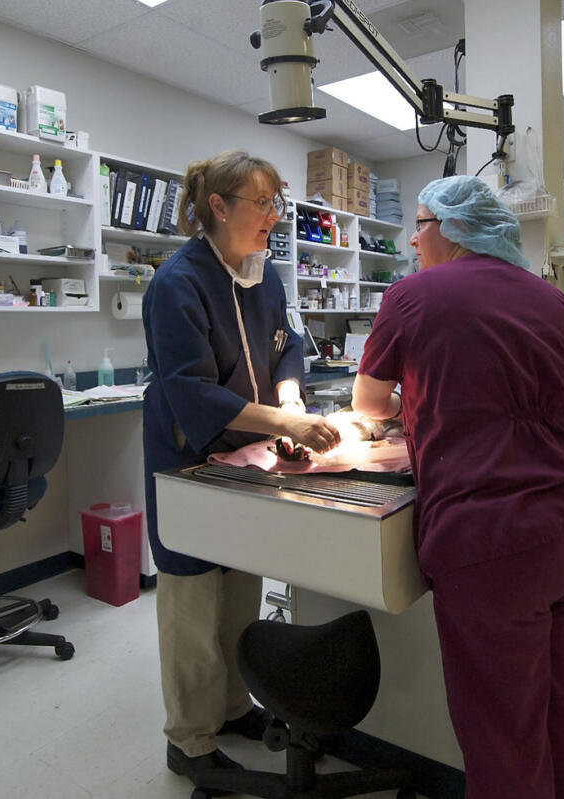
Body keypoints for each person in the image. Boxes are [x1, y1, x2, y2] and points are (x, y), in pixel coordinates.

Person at [351, 175, 564, 799]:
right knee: (563, 712)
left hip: (496, 541)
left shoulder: (413, 296)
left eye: (418, 225)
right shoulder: (553, 301)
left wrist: (412, 410)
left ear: (447, 226)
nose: (413, 241)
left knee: (504, 737)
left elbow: (369, 400)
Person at [141, 150, 341, 786]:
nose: (274, 217)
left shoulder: (264, 275)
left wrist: (288, 396)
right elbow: (190, 390)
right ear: (219, 207)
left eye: (277, 204)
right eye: (264, 203)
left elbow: (288, 345)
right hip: (190, 457)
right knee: (193, 604)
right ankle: (191, 740)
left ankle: (231, 709)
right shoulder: (177, 283)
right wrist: (283, 424)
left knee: (238, 593)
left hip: (250, 453)